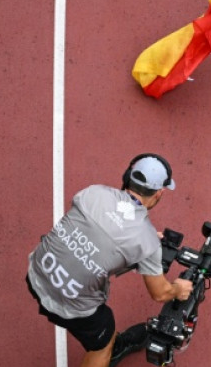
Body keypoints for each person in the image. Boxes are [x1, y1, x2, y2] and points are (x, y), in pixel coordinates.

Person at [27, 153, 194, 367]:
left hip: (36, 271)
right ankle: (108, 348)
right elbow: (160, 293)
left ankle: (114, 343)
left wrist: (141, 247)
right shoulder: (147, 240)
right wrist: (178, 289)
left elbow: (96, 233)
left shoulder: (93, 192)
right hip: (70, 307)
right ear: (160, 193)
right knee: (103, 337)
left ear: (127, 177)